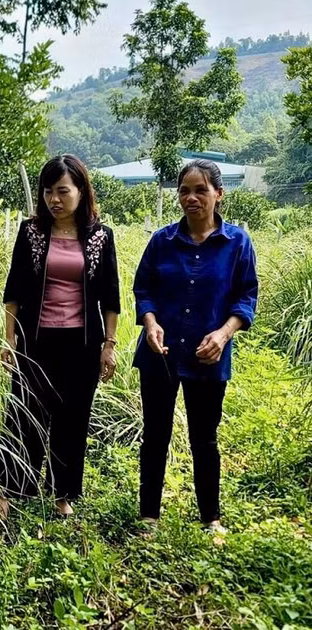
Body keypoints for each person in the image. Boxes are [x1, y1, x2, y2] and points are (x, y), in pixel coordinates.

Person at [133, 159, 258, 534]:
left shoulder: (236, 243)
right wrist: (151, 322)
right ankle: (149, 516)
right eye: (185, 190)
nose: (192, 198)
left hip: (209, 355)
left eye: (201, 190)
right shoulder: (162, 241)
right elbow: (144, 289)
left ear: (219, 194)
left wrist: (223, 334)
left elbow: (246, 296)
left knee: (204, 438)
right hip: (161, 354)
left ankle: (210, 517)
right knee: (156, 435)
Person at [0, 154, 121, 519]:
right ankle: (8, 488)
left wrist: (108, 346)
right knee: (23, 415)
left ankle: (63, 494)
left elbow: (110, 296)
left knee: (73, 419)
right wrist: (9, 339)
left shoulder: (100, 236)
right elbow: (14, 289)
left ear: (81, 191)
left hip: (82, 345)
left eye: (63, 191)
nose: (55, 199)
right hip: (36, 341)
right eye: (48, 191)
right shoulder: (31, 231)